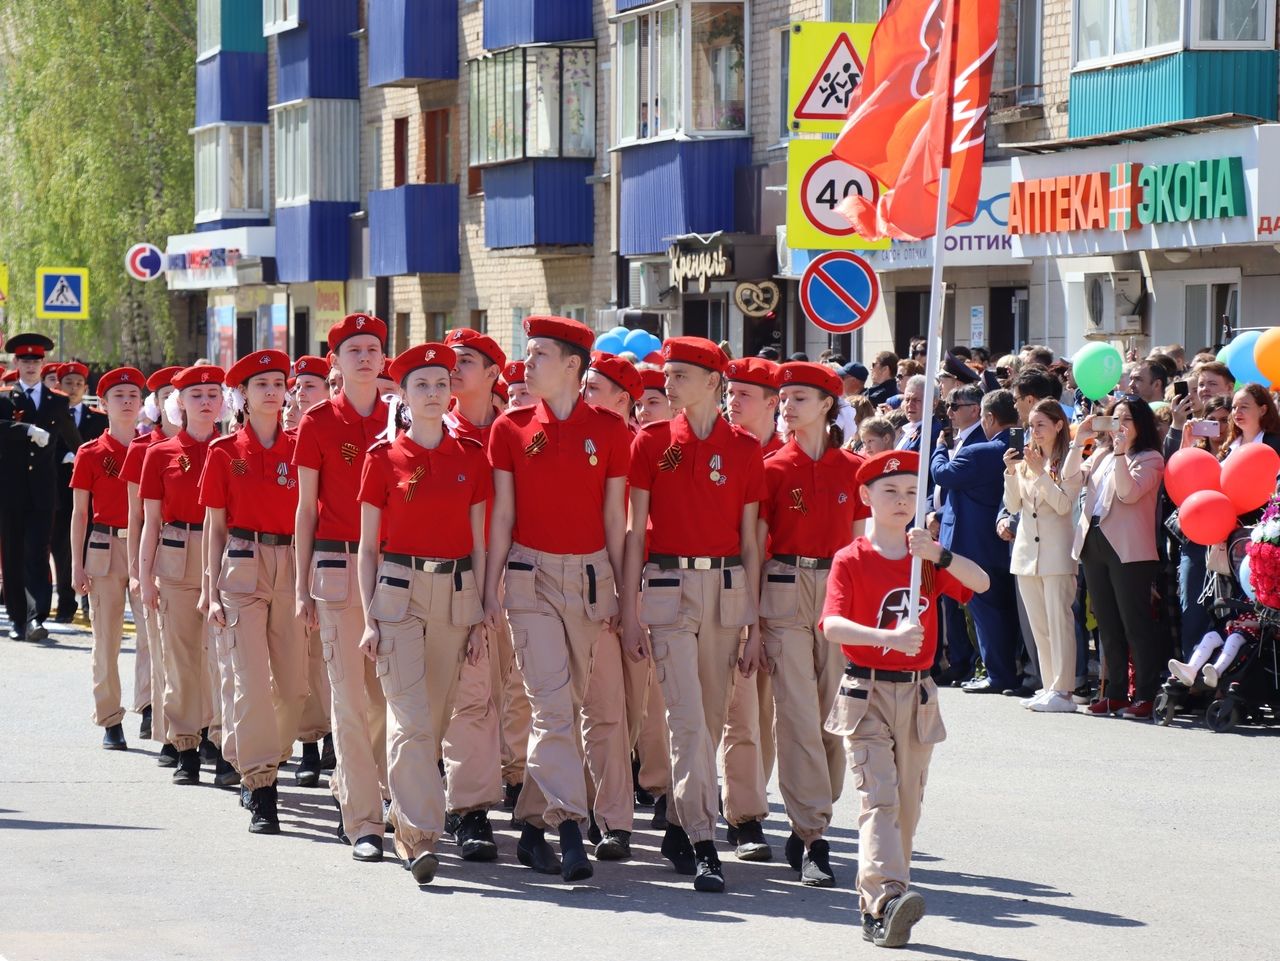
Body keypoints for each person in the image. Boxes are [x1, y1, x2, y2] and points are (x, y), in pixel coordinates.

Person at [484, 315, 633, 881]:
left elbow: (614, 521)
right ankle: (571, 827)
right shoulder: (511, 428)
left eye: (540, 353)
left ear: (573, 365)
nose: (527, 363)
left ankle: (529, 830)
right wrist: (488, 592)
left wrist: (624, 596)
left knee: (564, 709)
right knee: (551, 706)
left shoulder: (612, 430)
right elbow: (501, 517)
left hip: (592, 581)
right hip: (529, 577)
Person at [821, 450, 988, 948]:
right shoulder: (851, 558)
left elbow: (981, 583)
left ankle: (885, 904)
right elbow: (831, 625)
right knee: (879, 800)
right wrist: (886, 638)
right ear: (866, 497)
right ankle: (886, 898)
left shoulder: (928, 559)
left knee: (907, 807)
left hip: (917, 696)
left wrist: (942, 555)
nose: (902, 501)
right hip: (865, 690)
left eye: (912, 492)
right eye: (890, 492)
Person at [621, 336, 766, 893]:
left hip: (727, 589)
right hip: (666, 587)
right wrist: (630, 610)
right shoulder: (651, 441)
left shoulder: (747, 448)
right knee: (685, 718)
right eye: (667, 374)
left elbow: (751, 543)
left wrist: (753, 624)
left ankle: (681, 826)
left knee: (708, 719)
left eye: (680, 375)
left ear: (713, 381)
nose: (667, 384)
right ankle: (705, 842)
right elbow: (636, 534)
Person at [356, 343, 491, 885]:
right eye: (421, 386)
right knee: (410, 721)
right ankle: (419, 838)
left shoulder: (471, 455)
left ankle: (403, 811)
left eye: (441, 384)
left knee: (432, 724)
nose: (433, 394)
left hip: (457, 594)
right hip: (397, 594)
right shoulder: (381, 458)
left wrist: (480, 613)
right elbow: (367, 547)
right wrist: (368, 617)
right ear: (404, 397)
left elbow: (480, 543)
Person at [759, 362, 868, 887]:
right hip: (782, 590)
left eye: (800, 396)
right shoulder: (771, 468)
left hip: (839, 594)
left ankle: (814, 811)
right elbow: (754, 547)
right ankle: (812, 836)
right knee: (798, 716)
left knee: (833, 717)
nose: (788, 405)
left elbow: (862, 545)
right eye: (784, 397)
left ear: (828, 404)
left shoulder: (854, 468)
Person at [294, 314, 391, 862]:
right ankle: (363, 820)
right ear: (335, 361)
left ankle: (365, 789)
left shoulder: (398, 417)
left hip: (393, 572)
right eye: (352, 349)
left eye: (372, 348)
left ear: (382, 359)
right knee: (348, 697)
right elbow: (306, 509)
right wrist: (301, 584)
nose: (363, 357)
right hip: (335, 568)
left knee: (384, 697)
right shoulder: (317, 421)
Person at [201, 350, 309, 833]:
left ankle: (267, 754)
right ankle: (261, 783)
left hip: (291, 564)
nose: (271, 391)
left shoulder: (301, 447)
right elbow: (215, 527)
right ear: (242, 394)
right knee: (249, 680)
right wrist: (210, 588)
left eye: (277, 382)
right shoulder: (224, 452)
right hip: (241, 564)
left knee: (291, 686)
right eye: (260, 383)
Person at [583, 354, 669, 832]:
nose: (584, 397)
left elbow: (639, 526)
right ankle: (602, 801)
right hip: (590, 584)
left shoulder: (641, 447)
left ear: (623, 400)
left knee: (644, 701)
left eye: (593, 389)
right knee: (599, 703)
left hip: (638, 585)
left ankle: (655, 784)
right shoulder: (579, 437)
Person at [138, 365, 226, 784]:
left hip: (225, 558)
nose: (206, 402)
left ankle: (225, 744)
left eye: (213, 393)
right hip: (175, 557)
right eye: (197, 395)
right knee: (182, 658)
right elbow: (150, 522)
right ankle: (185, 745)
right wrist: (144, 575)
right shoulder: (160, 453)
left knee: (224, 658)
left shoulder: (231, 450)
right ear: (180, 404)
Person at [440, 326, 507, 858]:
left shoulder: (514, 431)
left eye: (465, 360)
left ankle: (522, 793)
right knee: (470, 695)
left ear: (492, 374)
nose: (453, 368)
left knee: (517, 698)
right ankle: (470, 812)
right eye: (449, 360)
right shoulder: (430, 428)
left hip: (516, 575)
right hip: (452, 576)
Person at [1066, 397, 1166, 719]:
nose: (1120, 425)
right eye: (1116, 418)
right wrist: (1079, 442)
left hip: (1129, 549)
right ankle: (1115, 693)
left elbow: (1128, 493)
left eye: (1127, 419)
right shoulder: (1100, 455)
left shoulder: (1150, 458)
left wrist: (1122, 452)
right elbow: (1068, 481)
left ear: (1141, 425)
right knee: (1107, 625)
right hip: (1092, 541)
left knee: (1135, 624)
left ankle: (1147, 695)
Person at [721, 356, 782, 862]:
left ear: (772, 403)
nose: (733, 402)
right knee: (737, 708)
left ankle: (750, 796)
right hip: (728, 589)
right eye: (730, 392)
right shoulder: (719, 447)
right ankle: (744, 816)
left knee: (765, 711)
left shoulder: (785, 455)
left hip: (780, 593)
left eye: (744, 395)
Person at [68, 367, 145, 750]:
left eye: (134, 395)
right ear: (105, 405)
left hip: (147, 549)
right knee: (107, 640)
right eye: (120, 396)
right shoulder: (91, 453)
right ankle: (110, 718)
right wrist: (75, 565)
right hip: (103, 549)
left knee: (152, 638)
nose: (128, 401)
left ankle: (151, 709)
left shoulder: (153, 448)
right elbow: (80, 513)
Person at [931, 390, 1023, 695]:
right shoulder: (1019, 442)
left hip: (976, 546)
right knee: (1002, 611)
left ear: (988, 417)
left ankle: (999, 675)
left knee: (987, 613)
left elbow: (942, 474)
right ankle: (1005, 671)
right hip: (1002, 543)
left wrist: (940, 449)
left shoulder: (979, 451)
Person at [0, 333, 82, 641]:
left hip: (44, 493)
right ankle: (17, 619)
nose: (31, 366)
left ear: (43, 363)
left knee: (37, 552)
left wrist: (82, 457)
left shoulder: (57, 400)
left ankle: (36, 619)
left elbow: (75, 440)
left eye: (36, 361)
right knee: (12, 554)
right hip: (10, 490)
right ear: (16, 363)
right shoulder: (4, 397)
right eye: (25, 361)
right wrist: (25, 430)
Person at [1002, 400, 1082, 712]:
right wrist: (1010, 471)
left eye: (1041, 425)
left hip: (1057, 553)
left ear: (1058, 425)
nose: (1034, 432)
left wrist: (1041, 473)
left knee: (1059, 622)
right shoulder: (1025, 462)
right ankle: (1050, 686)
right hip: (1026, 553)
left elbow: (1064, 506)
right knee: (1039, 625)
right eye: (1031, 426)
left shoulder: (1068, 461)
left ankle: (1064, 690)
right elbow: (1012, 506)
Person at [122, 366, 182, 761]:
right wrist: (134, 572)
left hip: (190, 558)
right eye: (163, 397)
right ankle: (151, 710)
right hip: (156, 555)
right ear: (157, 404)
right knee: (154, 643)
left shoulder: (213, 444)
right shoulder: (144, 448)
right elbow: (136, 517)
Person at [284, 354, 335, 785]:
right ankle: (308, 744)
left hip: (331, 554)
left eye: (311, 387)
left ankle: (335, 737)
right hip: (291, 556)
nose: (301, 394)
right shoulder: (281, 437)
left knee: (329, 658)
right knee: (302, 659)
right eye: (297, 387)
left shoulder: (331, 432)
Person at [930, 384, 985, 686]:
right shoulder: (958, 437)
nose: (949, 412)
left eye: (955, 406)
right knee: (949, 600)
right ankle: (959, 660)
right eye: (948, 406)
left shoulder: (978, 439)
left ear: (974, 410)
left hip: (964, 530)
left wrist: (940, 446)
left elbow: (947, 475)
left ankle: (975, 663)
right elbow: (933, 485)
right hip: (946, 526)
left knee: (969, 601)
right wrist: (930, 510)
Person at [53, 361, 107, 623]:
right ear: (58, 386)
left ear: (85, 388)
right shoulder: (51, 415)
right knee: (62, 547)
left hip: (92, 492)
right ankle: (65, 603)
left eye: (78, 384)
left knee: (90, 546)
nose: (73, 389)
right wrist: (64, 456)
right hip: (59, 491)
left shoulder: (98, 418)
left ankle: (89, 602)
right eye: (68, 383)